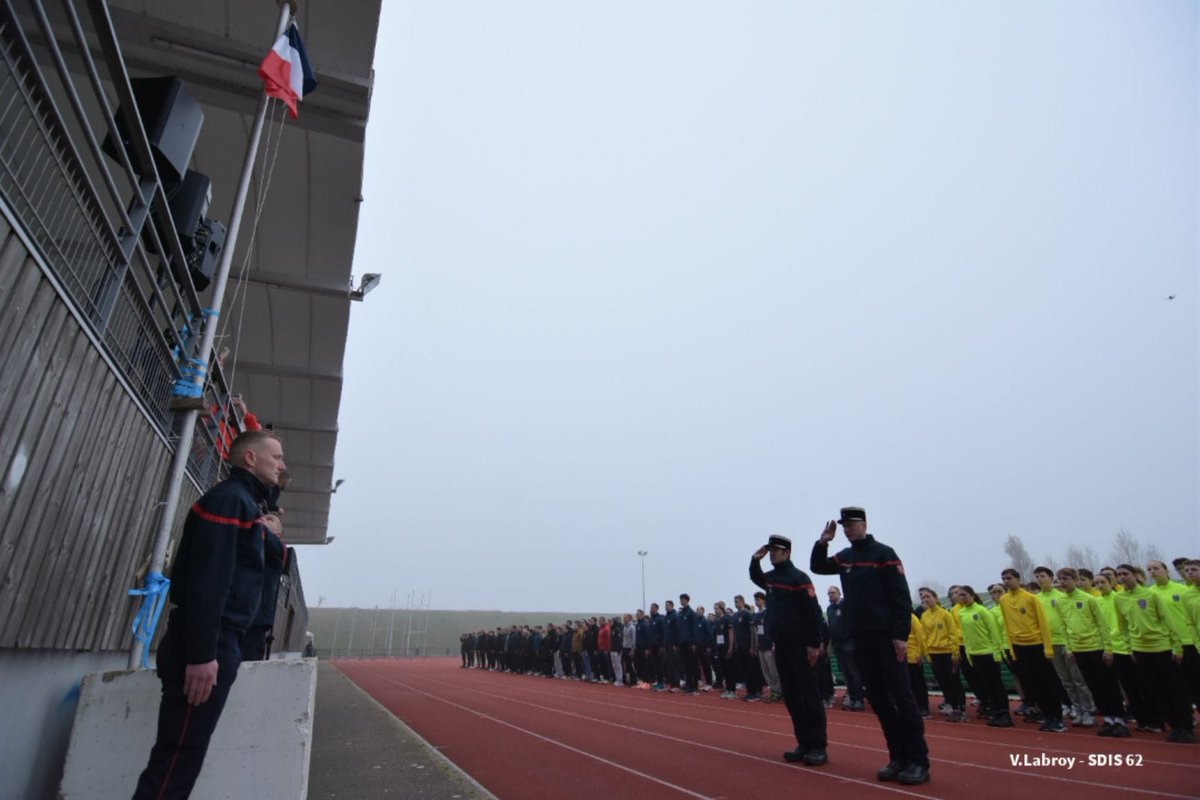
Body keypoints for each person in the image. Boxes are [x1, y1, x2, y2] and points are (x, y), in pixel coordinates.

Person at [132, 430, 285, 799]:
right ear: (250, 458)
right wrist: (203, 653)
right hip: (209, 641)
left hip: (219, 638)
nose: (282, 465)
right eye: (276, 457)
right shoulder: (231, 501)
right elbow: (210, 580)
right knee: (177, 756)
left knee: (183, 755)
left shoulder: (244, 502)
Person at [811, 507, 930, 785]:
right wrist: (822, 542)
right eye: (844, 526)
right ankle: (897, 756)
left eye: (851, 524)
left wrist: (901, 635)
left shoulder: (884, 554)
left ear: (864, 524)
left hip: (886, 638)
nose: (847, 529)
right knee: (878, 698)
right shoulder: (846, 557)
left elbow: (901, 598)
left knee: (902, 698)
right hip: (860, 638)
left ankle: (918, 761)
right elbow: (818, 567)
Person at [751, 534, 827, 766]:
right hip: (781, 645)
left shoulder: (799, 578)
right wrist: (755, 559)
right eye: (770, 551)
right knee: (792, 696)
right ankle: (803, 742)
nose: (772, 554)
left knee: (809, 696)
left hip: (801, 646)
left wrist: (814, 644)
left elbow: (813, 612)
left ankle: (818, 746)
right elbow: (756, 577)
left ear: (787, 553)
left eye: (776, 551)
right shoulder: (772, 579)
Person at [1112, 564, 1194, 743]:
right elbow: (1123, 626)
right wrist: (1129, 648)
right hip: (1140, 650)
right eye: (1119, 575)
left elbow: (1168, 620)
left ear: (1135, 575)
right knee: (1156, 690)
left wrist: (1177, 647)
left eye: (1125, 574)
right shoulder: (1119, 598)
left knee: (1175, 689)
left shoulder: (1151, 595)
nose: (1122, 577)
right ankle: (1174, 726)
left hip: (1162, 648)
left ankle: (1186, 725)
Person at [998, 568, 1065, 732]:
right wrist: (1012, 650)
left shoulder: (1031, 598)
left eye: (1009, 578)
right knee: (1032, 683)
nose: (1007, 581)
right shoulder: (1004, 600)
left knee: (1046, 682)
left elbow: (1043, 624)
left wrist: (1048, 649)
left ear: (1017, 579)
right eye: (1004, 579)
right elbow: (1007, 625)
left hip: (1036, 645)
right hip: (1019, 647)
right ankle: (1046, 716)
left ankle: (1057, 717)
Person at [952, 586, 1012, 727]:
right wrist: (968, 653)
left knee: (996, 684)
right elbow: (966, 635)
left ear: (972, 595)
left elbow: (993, 631)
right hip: (974, 654)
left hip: (988, 652)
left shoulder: (982, 610)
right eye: (960, 595)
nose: (962, 597)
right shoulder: (962, 613)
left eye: (964, 594)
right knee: (987, 684)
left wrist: (997, 652)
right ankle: (995, 711)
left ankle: (1004, 713)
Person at [918, 587, 967, 722]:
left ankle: (961, 708)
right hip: (934, 653)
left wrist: (955, 653)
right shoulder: (924, 616)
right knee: (942, 680)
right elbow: (924, 636)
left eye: (928, 596)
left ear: (936, 598)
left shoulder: (945, 614)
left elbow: (953, 634)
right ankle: (951, 704)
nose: (926, 599)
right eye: (923, 598)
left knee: (954, 680)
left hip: (947, 652)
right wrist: (927, 653)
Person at [827, 586, 864, 711]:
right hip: (837, 644)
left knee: (853, 671)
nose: (830, 595)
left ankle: (858, 699)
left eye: (832, 593)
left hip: (848, 643)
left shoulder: (846, 605)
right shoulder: (830, 609)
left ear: (839, 593)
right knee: (846, 673)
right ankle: (852, 698)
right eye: (828, 594)